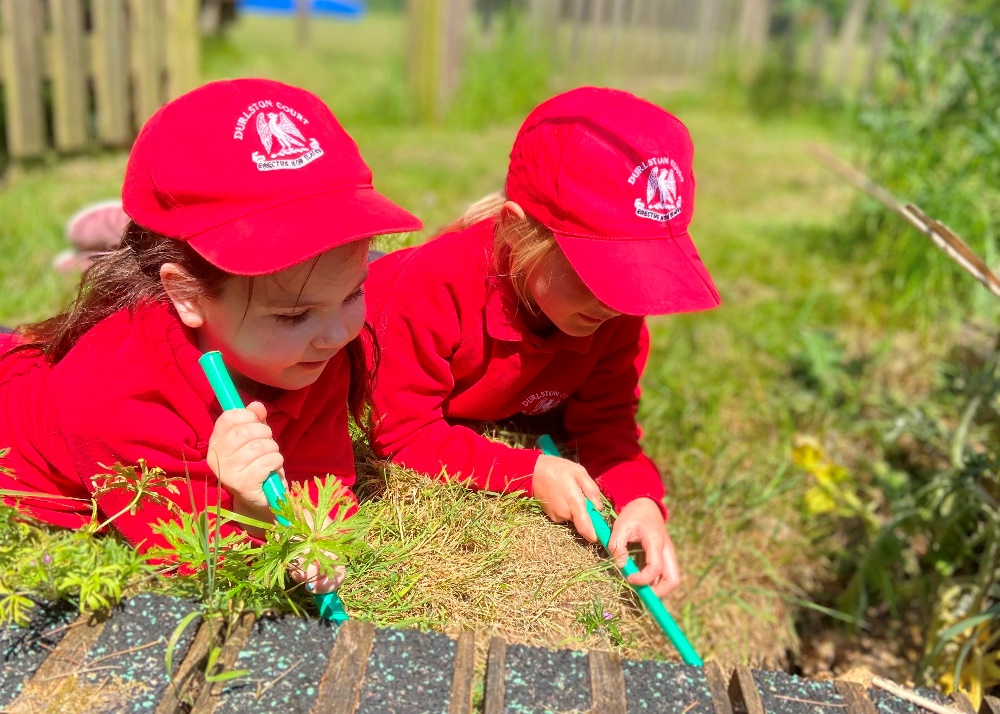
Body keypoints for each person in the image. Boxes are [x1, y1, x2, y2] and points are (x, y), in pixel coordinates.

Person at [0, 78, 421, 593]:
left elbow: (325, 480)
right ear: (187, 295)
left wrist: (315, 534)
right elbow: (192, 566)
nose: (337, 334)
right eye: (293, 315)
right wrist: (250, 511)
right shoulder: (114, 399)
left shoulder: (312, 346)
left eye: (354, 293)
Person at [365, 87, 720, 597]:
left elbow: (606, 423)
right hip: (367, 318)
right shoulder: (434, 288)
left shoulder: (612, 310)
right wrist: (526, 471)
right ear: (516, 230)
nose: (617, 303)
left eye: (638, 277)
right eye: (602, 273)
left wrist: (641, 499)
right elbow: (400, 434)